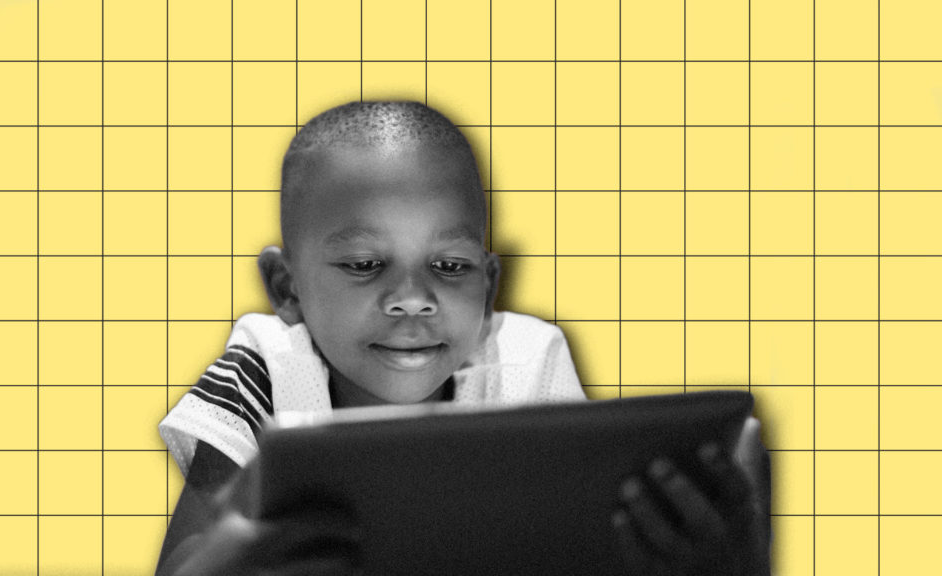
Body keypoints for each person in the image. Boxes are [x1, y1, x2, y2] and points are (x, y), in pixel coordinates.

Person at [154, 101, 770, 576]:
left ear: (490, 284)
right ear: (286, 288)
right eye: (365, 264)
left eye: (450, 268)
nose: (413, 297)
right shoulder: (268, 363)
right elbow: (184, 562)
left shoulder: (529, 361)